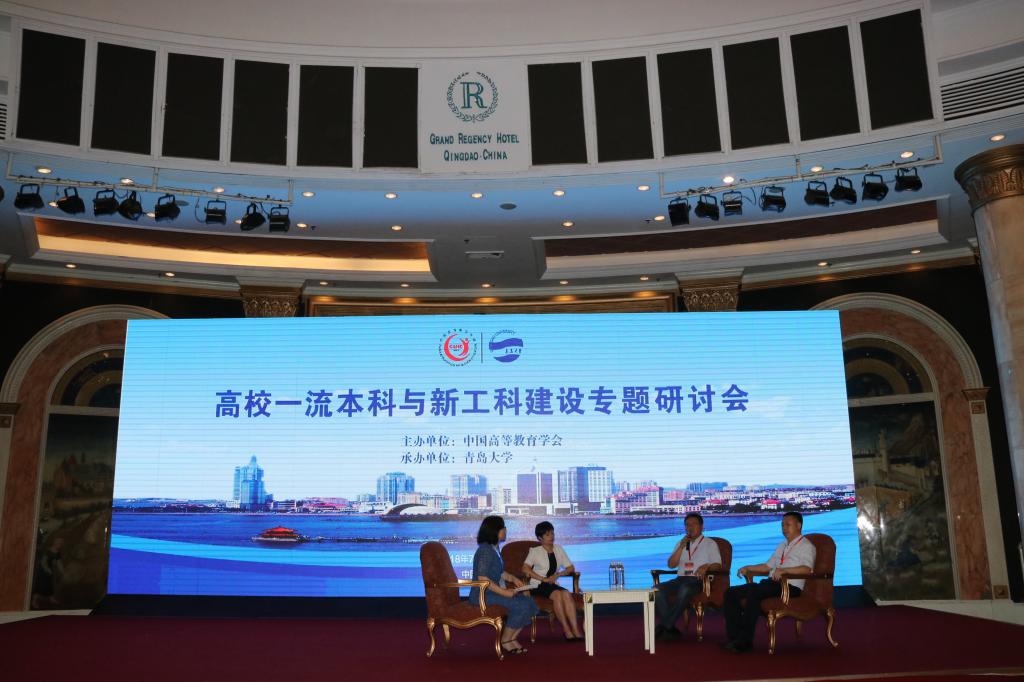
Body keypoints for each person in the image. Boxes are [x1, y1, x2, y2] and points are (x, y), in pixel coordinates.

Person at [721, 511, 816, 653]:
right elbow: (767, 566)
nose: (784, 528)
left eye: (788, 524)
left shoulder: (806, 546)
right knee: (730, 592)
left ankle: (745, 641)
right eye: (782, 525)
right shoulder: (782, 545)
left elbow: (807, 569)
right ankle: (734, 638)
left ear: (798, 525)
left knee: (753, 592)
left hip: (790, 587)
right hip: (772, 584)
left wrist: (784, 570)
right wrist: (748, 567)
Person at [468, 515, 539, 655]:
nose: (505, 530)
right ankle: (506, 640)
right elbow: (483, 578)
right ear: (494, 531)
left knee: (529, 603)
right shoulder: (485, 550)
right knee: (521, 605)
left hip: (492, 592)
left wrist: (513, 578)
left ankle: (511, 638)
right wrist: (504, 592)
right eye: (503, 528)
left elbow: (499, 572)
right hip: (482, 595)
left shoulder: (494, 548)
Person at [654, 512, 722, 641]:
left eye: (693, 524)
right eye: (687, 525)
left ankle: (664, 626)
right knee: (656, 590)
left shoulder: (710, 543)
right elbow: (671, 565)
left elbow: (717, 565)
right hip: (679, 579)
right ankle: (669, 627)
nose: (690, 527)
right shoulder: (681, 543)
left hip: (698, 580)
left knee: (685, 588)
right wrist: (681, 547)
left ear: (701, 526)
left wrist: (707, 566)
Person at [521, 521, 583, 641]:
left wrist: (557, 575)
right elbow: (525, 568)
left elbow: (570, 568)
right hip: (537, 584)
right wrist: (542, 579)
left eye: (552, 533)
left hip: (551, 584)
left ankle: (575, 630)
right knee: (558, 595)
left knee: (566, 594)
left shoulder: (558, 549)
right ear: (540, 538)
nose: (551, 537)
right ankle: (567, 630)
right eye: (548, 534)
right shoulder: (535, 551)